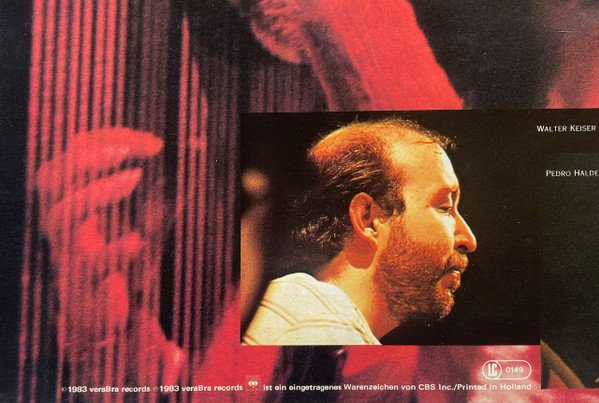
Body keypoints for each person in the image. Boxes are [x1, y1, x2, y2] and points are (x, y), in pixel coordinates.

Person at [242, 118, 477, 345]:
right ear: (368, 218)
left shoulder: (309, 318)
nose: (469, 240)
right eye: (444, 207)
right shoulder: (318, 322)